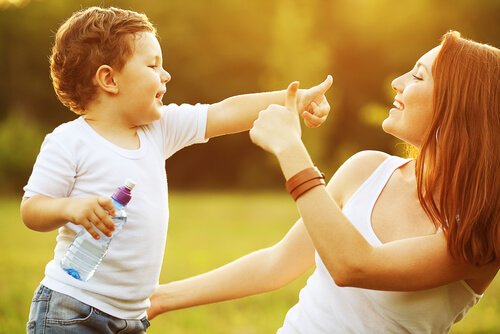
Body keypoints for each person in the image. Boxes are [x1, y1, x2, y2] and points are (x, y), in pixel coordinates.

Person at [147, 31, 499, 333]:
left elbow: (353, 266)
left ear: (459, 105)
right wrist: (159, 299)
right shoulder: (367, 170)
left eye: (418, 77)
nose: (398, 82)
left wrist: (290, 149)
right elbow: (277, 263)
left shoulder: (478, 229)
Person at [20, 6, 332, 333]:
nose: (165, 75)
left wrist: (295, 100)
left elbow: (225, 112)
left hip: (131, 317)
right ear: (109, 79)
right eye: (153, 65)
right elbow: (32, 210)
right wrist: (70, 207)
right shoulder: (69, 141)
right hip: (71, 310)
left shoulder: (158, 129)